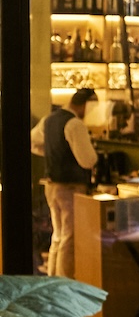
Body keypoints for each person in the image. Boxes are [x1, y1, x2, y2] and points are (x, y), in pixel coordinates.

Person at [30, 87, 97, 277]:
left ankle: (53, 279)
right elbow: (88, 160)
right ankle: (64, 281)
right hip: (71, 186)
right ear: (85, 105)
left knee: (58, 235)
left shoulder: (49, 119)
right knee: (70, 236)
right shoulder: (74, 124)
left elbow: (32, 141)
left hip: (51, 186)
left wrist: (52, 154)